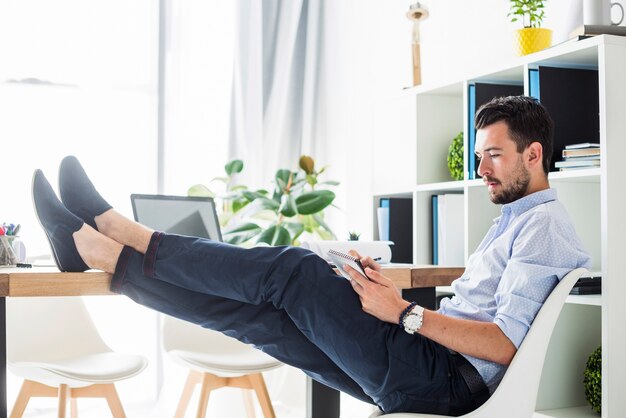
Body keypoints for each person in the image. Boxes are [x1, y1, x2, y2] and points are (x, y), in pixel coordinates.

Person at [31, 96, 591, 416]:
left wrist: (405, 313)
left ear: (534, 154)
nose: (482, 168)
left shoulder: (543, 226)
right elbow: (482, 316)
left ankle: (119, 231)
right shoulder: (515, 219)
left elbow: (502, 343)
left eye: (494, 155)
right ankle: (110, 257)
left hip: (444, 381)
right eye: (478, 155)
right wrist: (391, 301)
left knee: (295, 271)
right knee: (264, 318)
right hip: (427, 362)